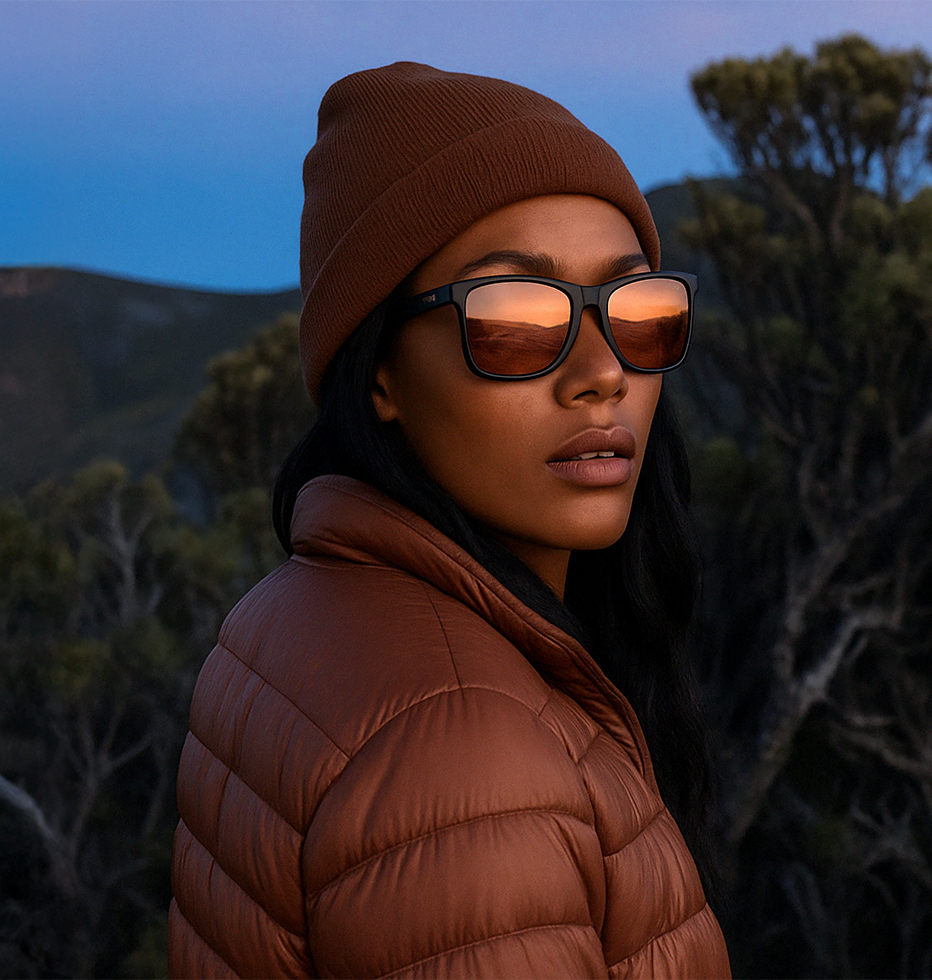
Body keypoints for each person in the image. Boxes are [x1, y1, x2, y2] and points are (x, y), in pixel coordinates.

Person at [168, 63, 732, 979]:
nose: (603, 371)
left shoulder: (292, 611)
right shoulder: (469, 747)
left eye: (639, 310)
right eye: (514, 319)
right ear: (379, 374)